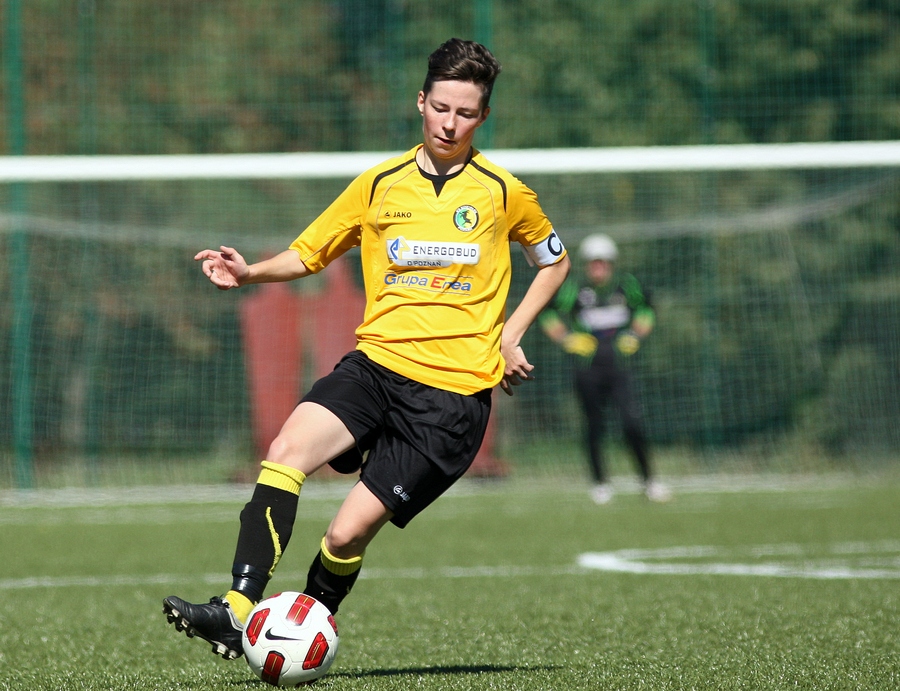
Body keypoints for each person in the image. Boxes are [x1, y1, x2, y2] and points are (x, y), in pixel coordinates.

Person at [162, 38, 570, 661]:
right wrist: (250, 274)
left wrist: (509, 334)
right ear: (420, 101)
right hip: (375, 367)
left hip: (449, 401)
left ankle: (298, 630)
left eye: (465, 113)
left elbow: (554, 261)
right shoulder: (379, 184)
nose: (450, 123)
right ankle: (237, 609)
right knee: (286, 452)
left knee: (344, 536)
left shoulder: (503, 192)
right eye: (441, 108)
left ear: (483, 116)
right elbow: (310, 252)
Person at [540, 234, 669, 505]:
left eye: (603, 262)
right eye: (593, 263)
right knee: (594, 426)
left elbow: (646, 310)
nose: (598, 268)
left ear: (611, 263)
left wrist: (636, 335)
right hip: (588, 369)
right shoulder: (574, 289)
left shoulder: (626, 286)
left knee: (632, 422)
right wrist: (567, 339)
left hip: (620, 367)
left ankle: (649, 481)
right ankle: (600, 483)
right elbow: (547, 313)